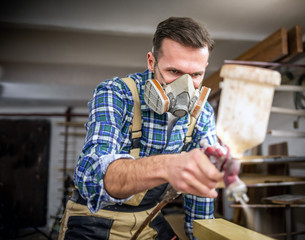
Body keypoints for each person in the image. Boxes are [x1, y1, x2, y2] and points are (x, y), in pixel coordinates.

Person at [58, 16, 223, 240]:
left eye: (195, 75)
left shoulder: (202, 113)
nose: (185, 86)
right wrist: (168, 165)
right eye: (174, 71)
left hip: (147, 217)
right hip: (93, 217)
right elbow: (90, 175)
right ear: (151, 62)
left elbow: (200, 197)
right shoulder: (116, 93)